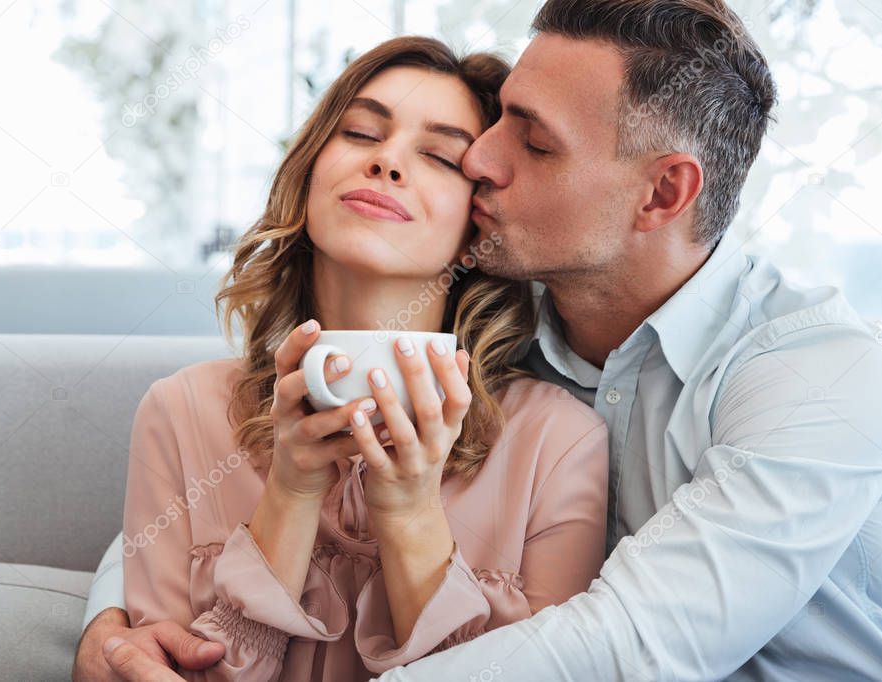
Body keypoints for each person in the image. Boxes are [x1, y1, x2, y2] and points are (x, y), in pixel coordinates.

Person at [78, 1, 882, 679]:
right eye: (497, 122)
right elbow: (201, 482)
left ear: (663, 192)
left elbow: (632, 645)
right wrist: (108, 624)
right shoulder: (501, 338)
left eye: (533, 142)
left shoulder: (820, 370)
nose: (481, 159)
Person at [73, 35, 609, 681]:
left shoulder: (558, 443)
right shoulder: (180, 412)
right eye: (360, 133)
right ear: (307, 176)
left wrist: (411, 511)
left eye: (439, 155)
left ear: (478, 226)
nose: (386, 163)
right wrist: (292, 494)